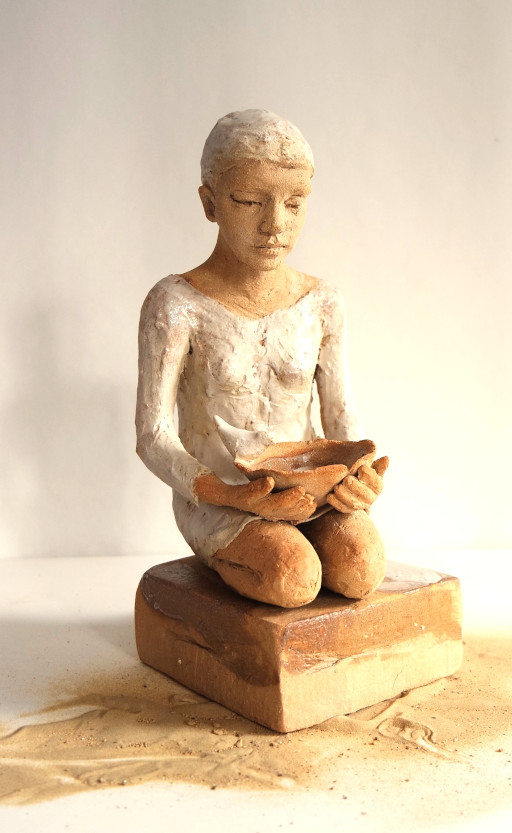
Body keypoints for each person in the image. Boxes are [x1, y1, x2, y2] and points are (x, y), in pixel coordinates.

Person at [136, 109, 388, 608]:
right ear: (210, 203)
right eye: (249, 201)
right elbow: (153, 435)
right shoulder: (176, 304)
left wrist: (360, 474)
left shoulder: (322, 302)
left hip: (313, 493)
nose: (275, 225)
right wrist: (225, 494)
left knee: (362, 568)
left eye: (294, 204)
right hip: (223, 497)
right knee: (293, 577)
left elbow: (341, 416)